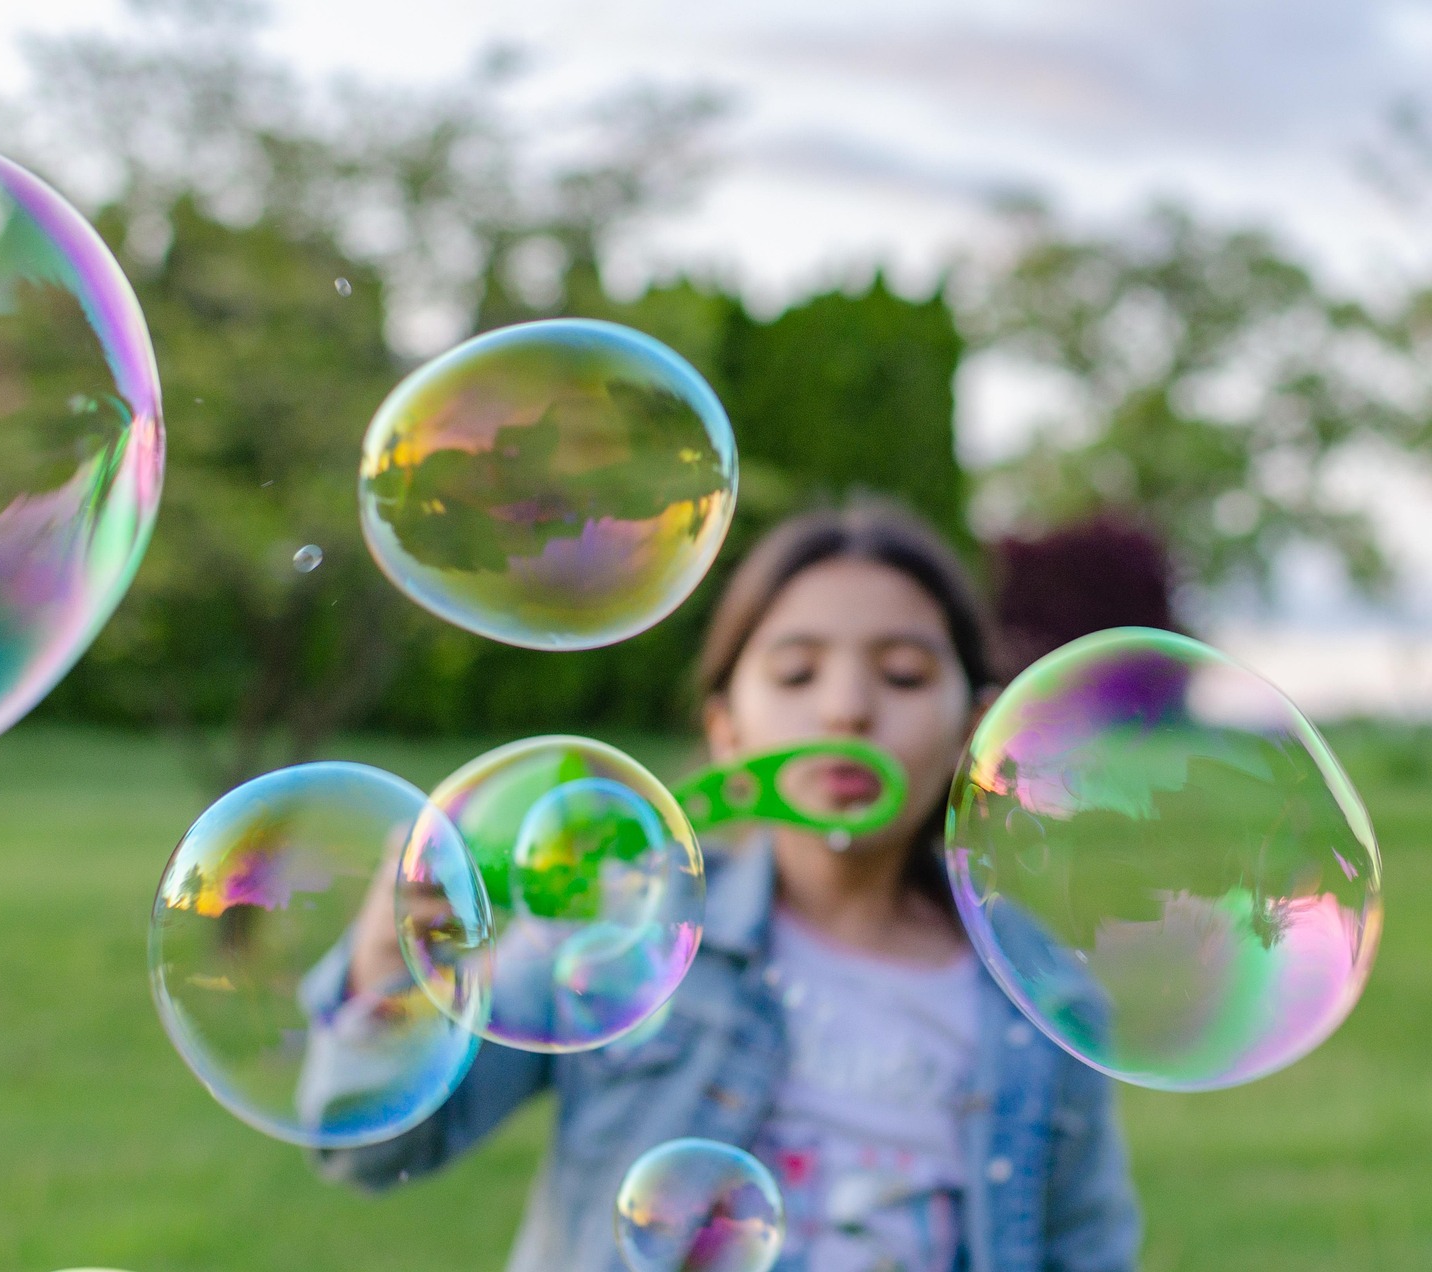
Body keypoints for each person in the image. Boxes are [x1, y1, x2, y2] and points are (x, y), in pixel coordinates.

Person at [311, 502, 1141, 1272]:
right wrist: (389, 978)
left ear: (975, 728)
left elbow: (1086, 1251)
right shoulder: (624, 923)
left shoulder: (1045, 998)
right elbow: (373, 1148)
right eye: (795, 674)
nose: (848, 709)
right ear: (726, 729)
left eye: (902, 674)